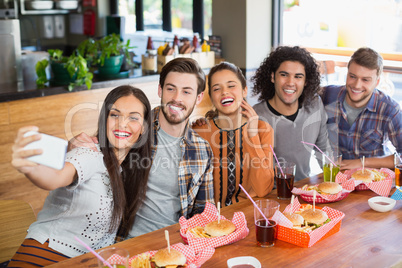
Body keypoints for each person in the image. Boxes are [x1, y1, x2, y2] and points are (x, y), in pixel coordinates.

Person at [69, 57, 215, 239]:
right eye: (171, 89)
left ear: (199, 97)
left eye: (186, 92)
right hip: (123, 242)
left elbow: (204, 211)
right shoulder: (133, 127)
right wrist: (75, 148)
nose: (177, 98)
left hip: (176, 244)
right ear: (160, 90)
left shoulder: (202, 150)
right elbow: (98, 155)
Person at [8, 85, 152, 266]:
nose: (122, 123)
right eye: (114, 115)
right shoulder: (88, 153)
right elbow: (56, 176)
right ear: (104, 120)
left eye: (133, 117)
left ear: (145, 127)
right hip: (46, 255)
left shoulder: (129, 171)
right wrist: (31, 168)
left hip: (84, 262)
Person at [192, 62, 274, 207]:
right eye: (217, 88)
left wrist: (252, 136)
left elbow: (263, 189)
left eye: (231, 86)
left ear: (244, 91)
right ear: (211, 97)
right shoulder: (200, 131)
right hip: (214, 221)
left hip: (251, 215)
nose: (224, 92)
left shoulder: (263, 129)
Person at [252, 46, 331, 181]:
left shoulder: (315, 106)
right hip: (270, 195)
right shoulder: (256, 116)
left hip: (304, 190)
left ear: (306, 81)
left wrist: (334, 184)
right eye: (284, 75)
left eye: (298, 77)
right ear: (272, 77)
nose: (290, 83)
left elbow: (324, 151)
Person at [321, 47, 402, 170]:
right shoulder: (328, 95)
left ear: (377, 82)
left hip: (374, 182)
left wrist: (362, 162)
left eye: (365, 80)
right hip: (335, 180)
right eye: (352, 76)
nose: (357, 85)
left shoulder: (390, 109)